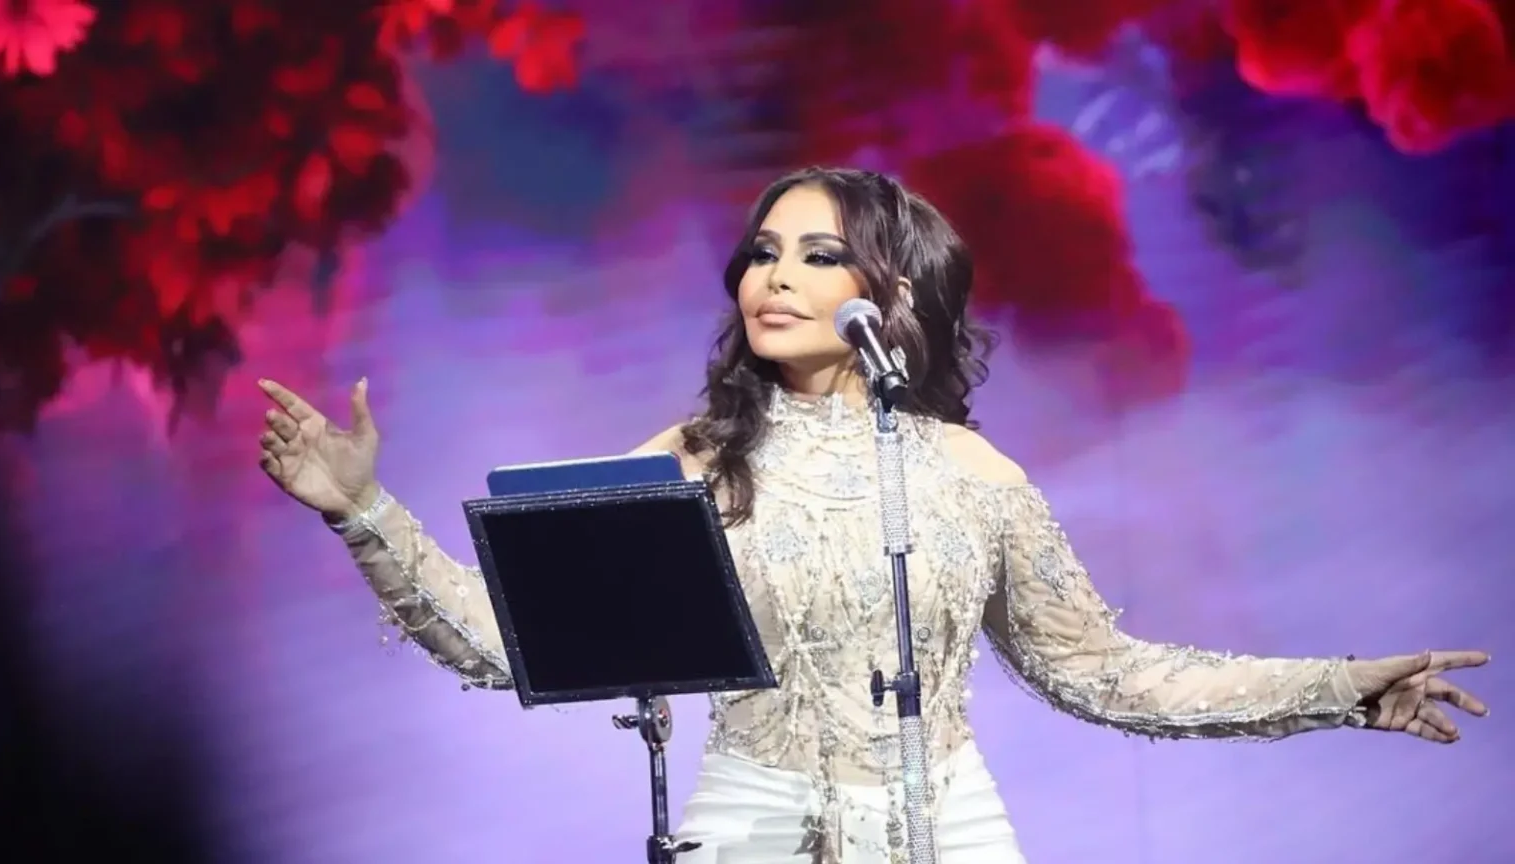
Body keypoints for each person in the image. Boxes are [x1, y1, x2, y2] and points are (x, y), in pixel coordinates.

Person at [255, 168, 1490, 864]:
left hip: (950, 831)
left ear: (892, 295)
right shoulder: (696, 458)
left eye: (817, 255)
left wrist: (1336, 688)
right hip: (753, 828)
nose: (773, 276)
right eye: (762, 252)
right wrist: (362, 512)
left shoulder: (972, 474)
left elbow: (1104, 673)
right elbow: (505, 640)